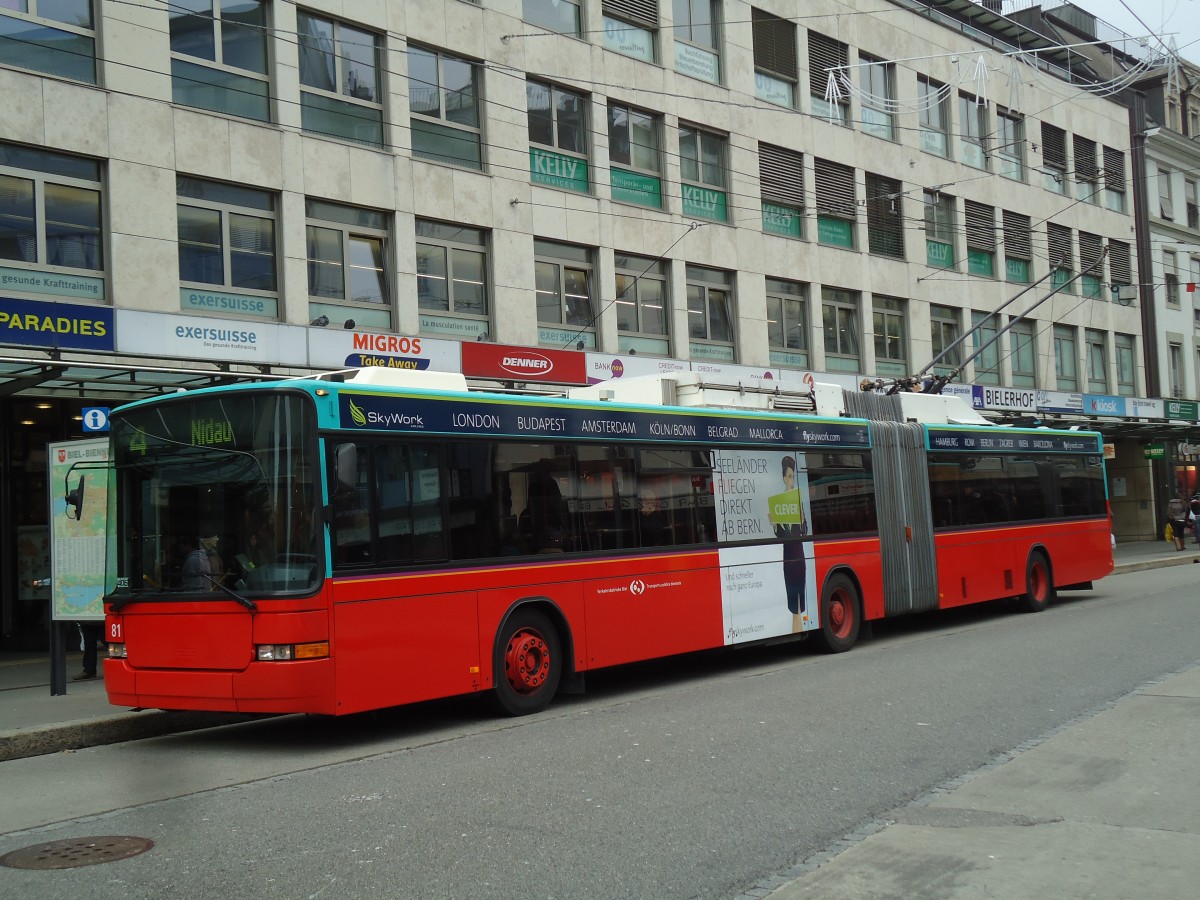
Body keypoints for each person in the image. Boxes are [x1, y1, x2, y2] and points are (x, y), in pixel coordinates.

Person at [773, 455, 809, 630]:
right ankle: (798, 629)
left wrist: (802, 520)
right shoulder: (779, 502)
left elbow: (804, 530)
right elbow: (781, 535)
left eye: (793, 476)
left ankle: (800, 629)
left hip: (799, 556)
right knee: (793, 605)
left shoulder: (797, 500)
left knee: (799, 605)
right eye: (788, 476)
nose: (791, 479)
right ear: (783, 478)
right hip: (788, 557)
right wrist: (775, 524)